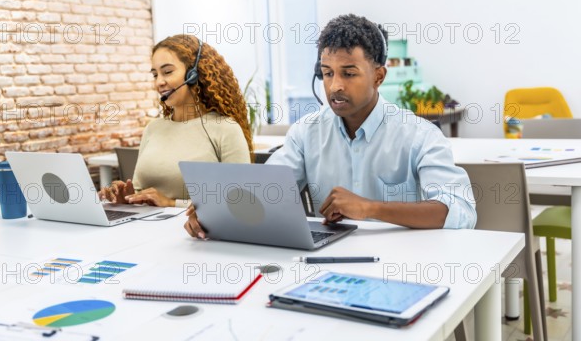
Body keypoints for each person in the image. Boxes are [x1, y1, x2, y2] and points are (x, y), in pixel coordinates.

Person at [184, 14, 476, 238]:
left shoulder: (419, 135)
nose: (335, 86)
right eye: (327, 73)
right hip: (328, 266)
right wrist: (218, 210)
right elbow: (268, 190)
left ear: (378, 76)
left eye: (349, 73)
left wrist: (370, 208)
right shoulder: (305, 133)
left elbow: (460, 212)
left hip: (401, 267)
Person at [100, 34, 252, 207]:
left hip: (197, 233)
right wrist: (126, 197)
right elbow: (139, 189)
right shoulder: (153, 128)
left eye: (167, 72)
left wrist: (171, 203)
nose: (159, 82)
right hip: (145, 228)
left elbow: (240, 203)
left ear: (194, 74)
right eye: (155, 75)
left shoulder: (225, 129)